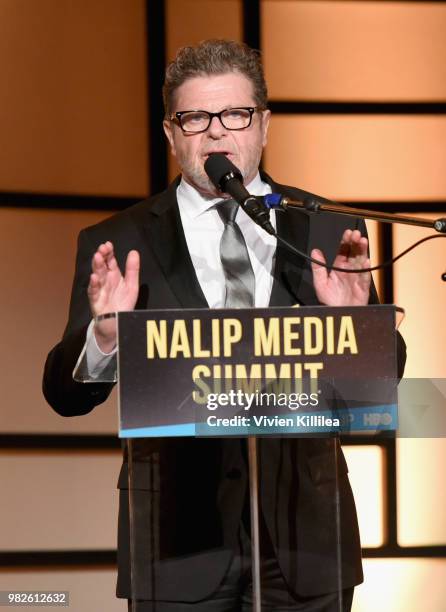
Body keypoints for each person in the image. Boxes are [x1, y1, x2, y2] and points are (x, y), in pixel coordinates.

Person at [43, 39, 405, 611]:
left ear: (263, 125)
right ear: (170, 134)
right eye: (195, 118)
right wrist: (106, 340)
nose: (216, 134)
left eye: (235, 115)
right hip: (177, 542)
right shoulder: (122, 238)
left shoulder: (321, 227)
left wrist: (354, 325)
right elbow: (64, 394)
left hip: (306, 537)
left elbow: (381, 380)